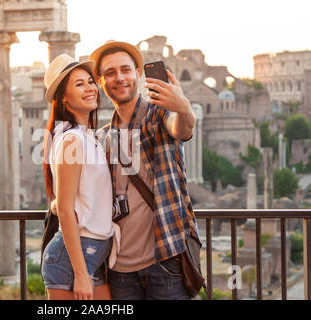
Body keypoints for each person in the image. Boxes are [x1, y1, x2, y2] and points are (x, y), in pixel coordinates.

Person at [52, 41, 202, 300]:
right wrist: (60, 203)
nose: (119, 78)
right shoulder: (102, 138)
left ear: (138, 74)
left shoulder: (158, 115)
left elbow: (182, 129)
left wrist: (183, 108)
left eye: (125, 70)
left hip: (164, 261)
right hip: (119, 269)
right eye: (110, 73)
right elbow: (90, 194)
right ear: (101, 82)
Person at [40, 53, 115, 300]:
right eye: (79, 84)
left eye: (90, 82)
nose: (90, 88)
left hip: (92, 254)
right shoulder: (72, 139)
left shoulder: (83, 136)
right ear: (63, 97)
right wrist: (81, 274)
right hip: (73, 260)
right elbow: (64, 208)